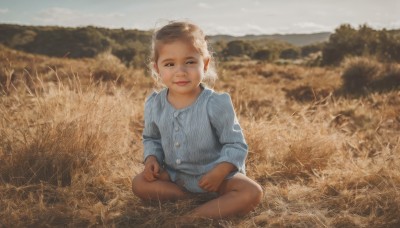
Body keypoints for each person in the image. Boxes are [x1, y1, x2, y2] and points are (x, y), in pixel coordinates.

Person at [131, 21, 263, 222]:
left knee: (252, 192)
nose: (181, 71)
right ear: (157, 68)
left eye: (190, 62)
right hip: (177, 178)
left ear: (206, 63)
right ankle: (190, 199)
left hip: (216, 178)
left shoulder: (215, 103)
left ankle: (191, 218)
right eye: (170, 64)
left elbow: (235, 143)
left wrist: (220, 172)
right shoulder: (154, 104)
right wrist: (152, 159)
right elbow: (152, 138)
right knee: (139, 184)